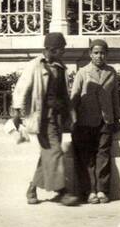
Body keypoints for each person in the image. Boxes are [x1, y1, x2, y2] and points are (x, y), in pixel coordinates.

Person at [11, 32, 81, 206]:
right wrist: (17, 111)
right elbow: (22, 88)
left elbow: (64, 93)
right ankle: (62, 191)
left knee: (48, 154)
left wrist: (71, 114)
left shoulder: (60, 67)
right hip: (42, 118)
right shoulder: (35, 65)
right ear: (50, 49)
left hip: (57, 118)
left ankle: (32, 188)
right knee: (55, 152)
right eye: (60, 49)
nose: (63, 52)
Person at [69, 39, 120, 204]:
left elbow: (115, 97)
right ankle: (90, 191)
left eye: (103, 53)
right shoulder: (83, 72)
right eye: (96, 53)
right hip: (85, 121)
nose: (100, 56)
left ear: (107, 54)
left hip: (106, 120)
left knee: (103, 155)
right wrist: (73, 119)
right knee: (88, 157)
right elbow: (74, 97)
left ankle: (102, 190)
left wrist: (116, 118)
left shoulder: (111, 72)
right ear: (90, 54)